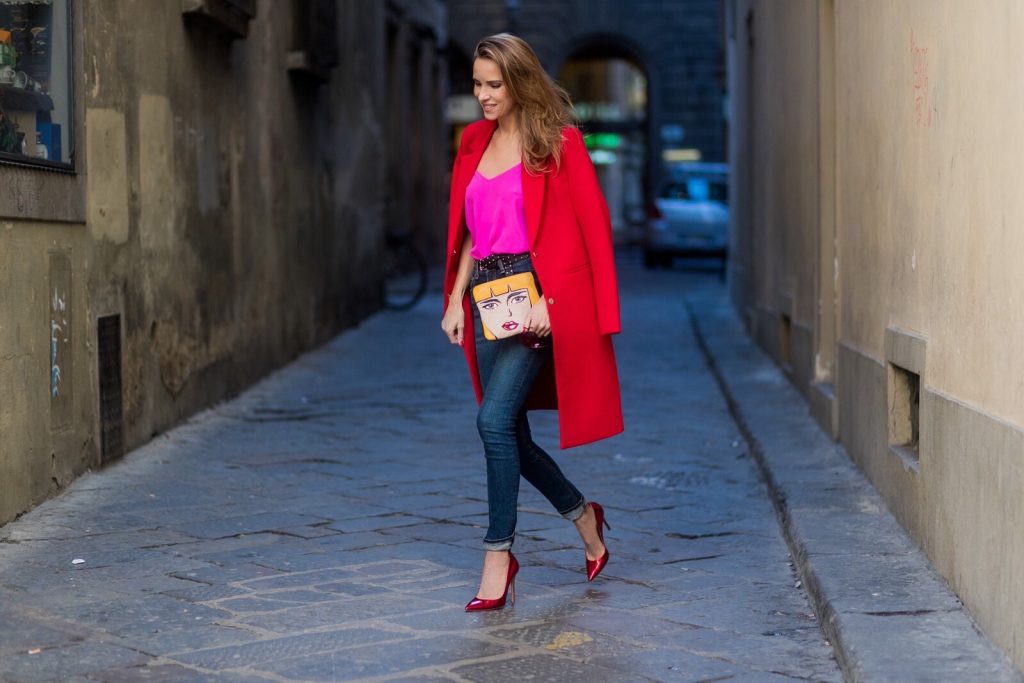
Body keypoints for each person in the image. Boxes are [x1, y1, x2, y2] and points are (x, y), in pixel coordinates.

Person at [441, 33, 624, 612]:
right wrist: (454, 298)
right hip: (485, 298)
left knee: (492, 423)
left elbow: (594, 229)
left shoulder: (558, 144)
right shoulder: (473, 141)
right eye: (477, 83)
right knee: (512, 436)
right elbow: (469, 230)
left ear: (520, 83)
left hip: (534, 298)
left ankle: (499, 555)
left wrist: (557, 302)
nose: (483, 95)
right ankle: (586, 519)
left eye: (494, 84)